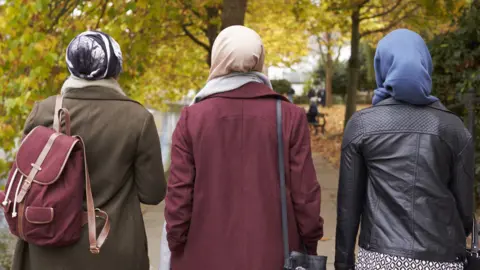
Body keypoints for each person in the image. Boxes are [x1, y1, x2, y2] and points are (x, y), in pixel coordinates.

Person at [165, 25, 324, 270]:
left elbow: (179, 194)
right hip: (274, 255)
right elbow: (305, 194)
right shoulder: (289, 115)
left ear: (218, 58)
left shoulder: (192, 117)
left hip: (204, 254)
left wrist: (176, 242)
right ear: (259, 59)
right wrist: (310, 241)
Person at [11, 31, 166, 270]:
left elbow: (25, 180)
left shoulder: (43, 111)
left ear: (71, 65)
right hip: (113, 251)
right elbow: (153, 193)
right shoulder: (138, 119)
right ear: (116, 68)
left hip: (47, 250)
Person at [335, 29, 473, 270]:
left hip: (379, 258)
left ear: (382, 67)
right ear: (424, 64)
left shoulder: (361, 124)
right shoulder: (453, 127)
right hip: (442, 259)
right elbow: (465, 211)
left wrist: (343, 263)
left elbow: (348, 208)